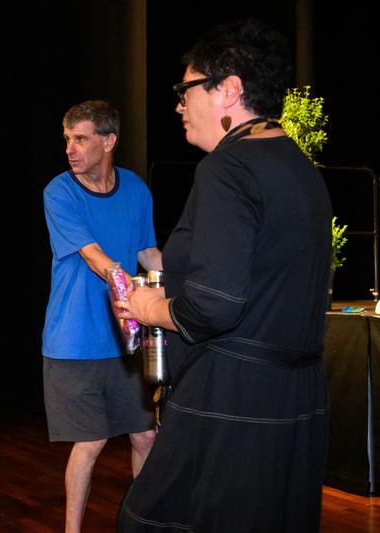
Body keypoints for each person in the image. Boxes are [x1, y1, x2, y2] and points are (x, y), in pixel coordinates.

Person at [116, 20, 331, 532]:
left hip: (232, 395)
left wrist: (151, 308)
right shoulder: (299, 167)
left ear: (229, 89)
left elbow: (214, 303)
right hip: (294, 397)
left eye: (185, 90)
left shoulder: (227, 167)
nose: (178, 105)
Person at [42, 100, 163, 533]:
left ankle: (143, 522)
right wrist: (133, 286)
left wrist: (176, 291)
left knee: (145, 435)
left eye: (81, 139)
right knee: (90, 441)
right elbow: (96, 258)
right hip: (74, 342)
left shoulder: (136, 190)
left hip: (127, 340)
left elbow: (149, 253)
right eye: (67, 140)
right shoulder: (59, 191)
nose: (70, 149)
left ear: (109, 141)